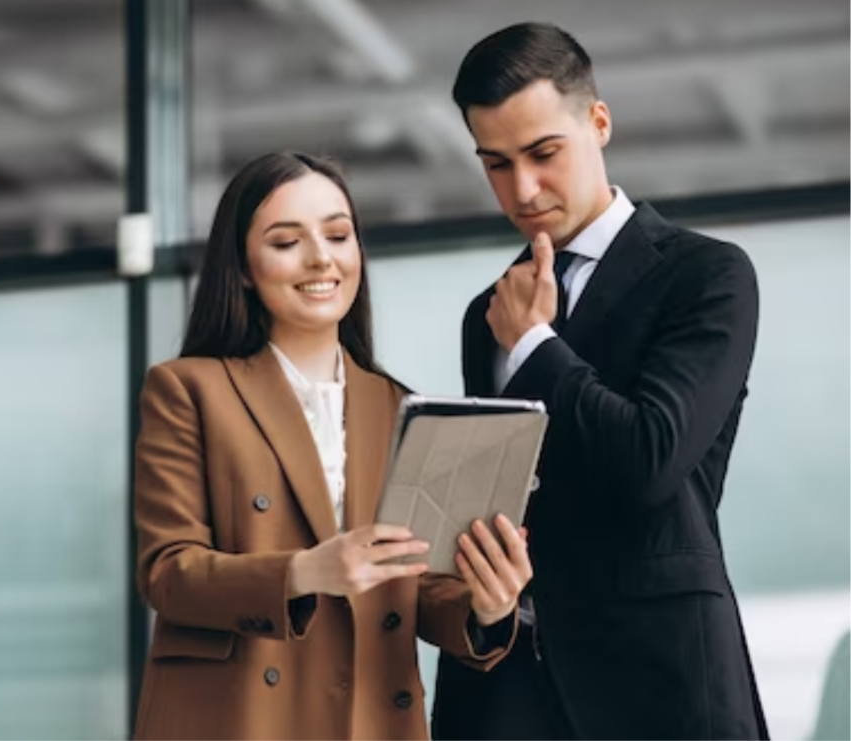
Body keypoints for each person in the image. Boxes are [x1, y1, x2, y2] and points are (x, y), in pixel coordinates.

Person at [431, 22, 770, 741]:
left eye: (543, 153)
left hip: (660, 683)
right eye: (495, 163)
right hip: (515, 692)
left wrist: (533, 342)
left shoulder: (706, 275)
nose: (522, 189)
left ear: (599, 122)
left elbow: (648, 457)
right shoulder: (484, 313)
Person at [132, 151, 533, 741]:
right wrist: (304, 572)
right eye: (286, 241)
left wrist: (488, 606)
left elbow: (416, 582)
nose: (322, 257)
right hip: (240, 717)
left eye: (339, 235)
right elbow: (168, 573)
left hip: (370, 716)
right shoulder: (189, 390)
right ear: (243, 267)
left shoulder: (399, 404)